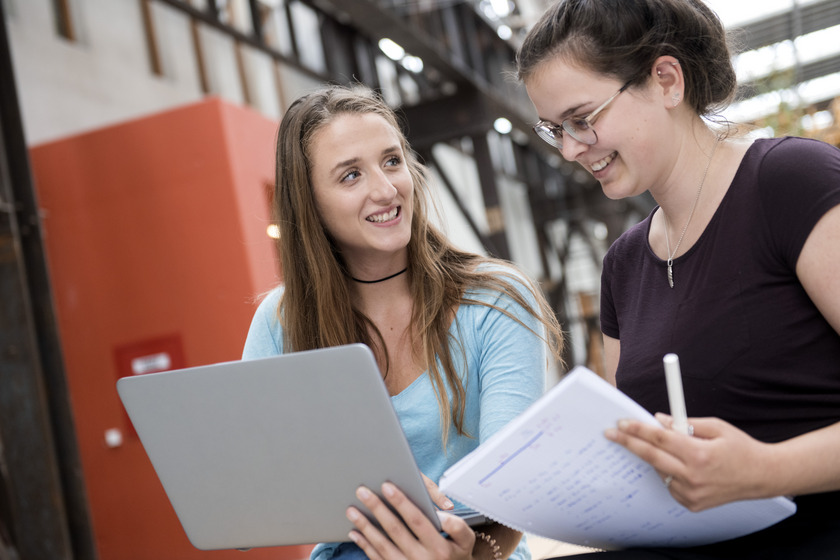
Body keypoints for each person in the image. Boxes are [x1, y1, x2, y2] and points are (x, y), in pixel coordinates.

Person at [512, 0, 840, 558]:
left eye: (582, 119)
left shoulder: (790, 184)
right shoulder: (623, 264)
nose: (570, 148)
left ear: (666, 80)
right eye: (555, 130)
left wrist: (766, 469)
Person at [241, 83, 565, 560]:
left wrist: (473, 556)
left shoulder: (494, 299)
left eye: (391, 161)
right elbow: (253, 493)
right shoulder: (281, 319)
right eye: (350, 175)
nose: (385, 188)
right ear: (311, 202)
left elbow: (511, 494)